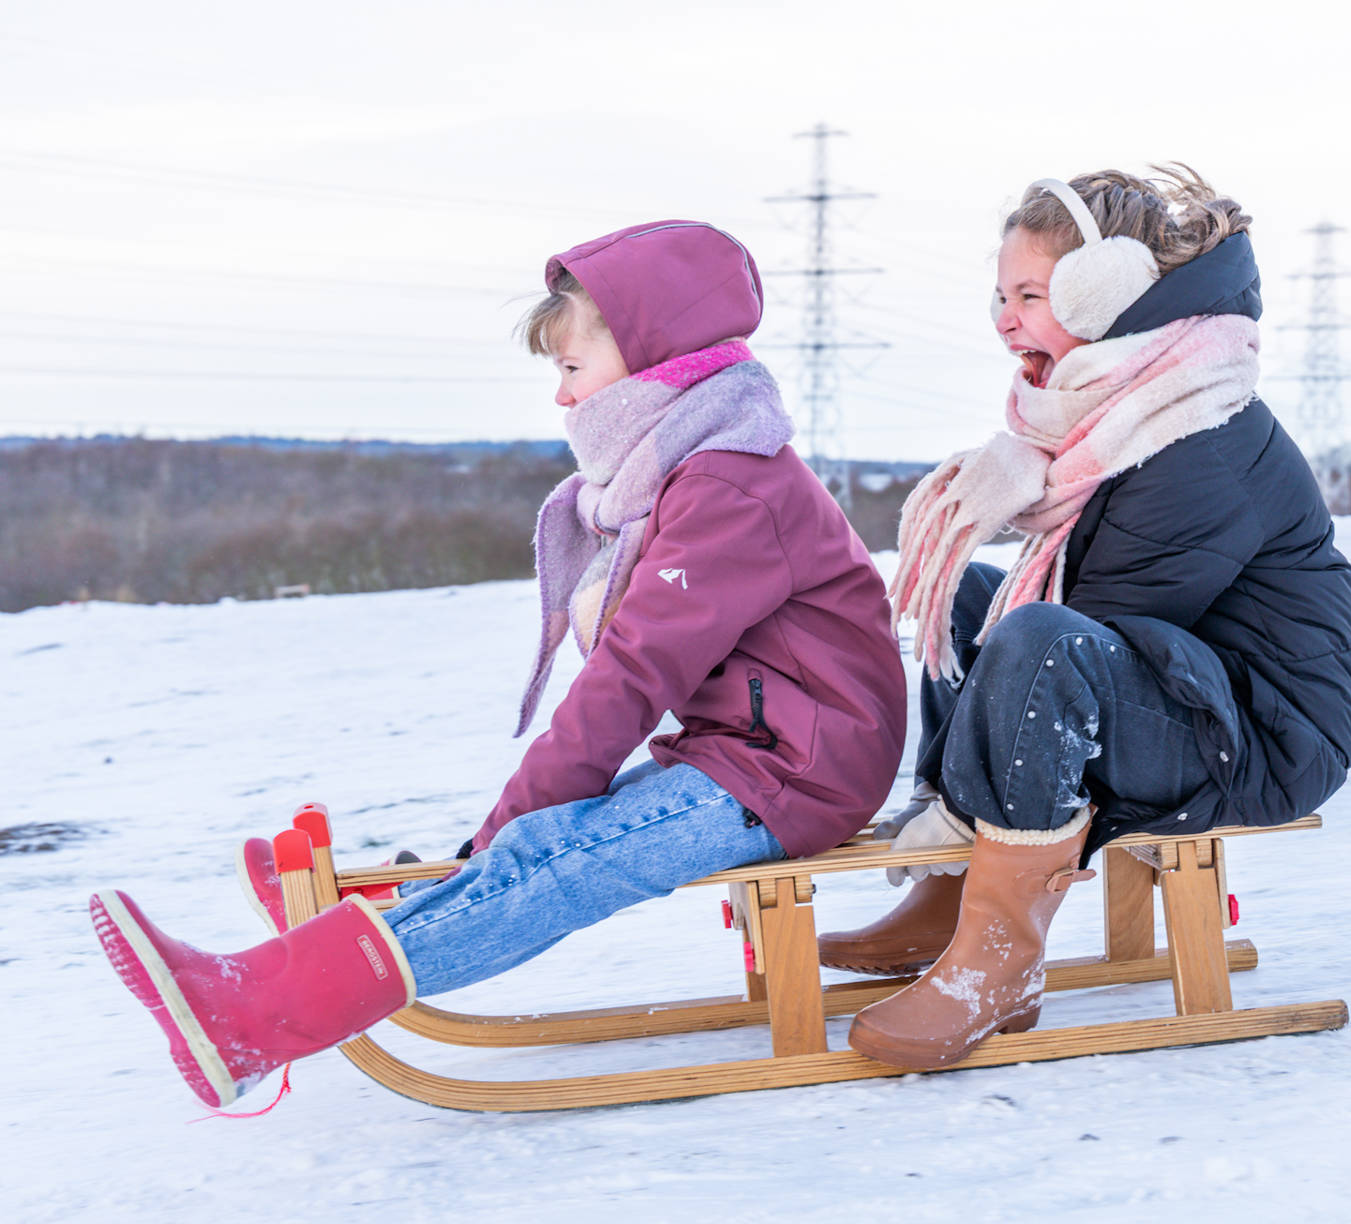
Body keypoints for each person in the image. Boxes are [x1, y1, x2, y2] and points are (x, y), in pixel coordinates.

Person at [89, 221, 908, 1108]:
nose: (562, 399)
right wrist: (503, 829)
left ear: (647, 361)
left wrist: (500, 830)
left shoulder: (732, 486)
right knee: (540, 838)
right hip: (747, 750)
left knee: (559, 856)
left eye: (571, 369)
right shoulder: (689, 469)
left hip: (799, 770)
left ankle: (260, 1011)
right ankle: (374, 930)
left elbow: (631, 678)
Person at [827, 167, 1351, 1071]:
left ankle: (999, 952)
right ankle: (955, 891)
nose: (1004, 319)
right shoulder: (1118, 411)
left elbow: (1085, 629)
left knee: (1038, 642)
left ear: (1105, 295)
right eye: (1000, 296)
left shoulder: (1200, 433)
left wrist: (960, 794)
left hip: (1262, 734)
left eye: (1030, 296)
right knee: (972, 594)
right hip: (1189, 689)